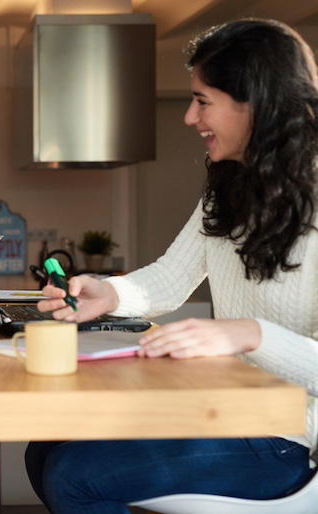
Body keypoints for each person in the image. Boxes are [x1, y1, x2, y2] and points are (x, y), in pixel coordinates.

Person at [25, 18, 318, 513]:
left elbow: (262, 341)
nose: (188, 117)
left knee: (74, 476)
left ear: (258, 103)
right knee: (44, 452)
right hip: (229, 410)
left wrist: (249, 333)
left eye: (203, 100)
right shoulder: (228, 183)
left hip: (293, 439)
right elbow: (172, 275)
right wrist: (109, 292)